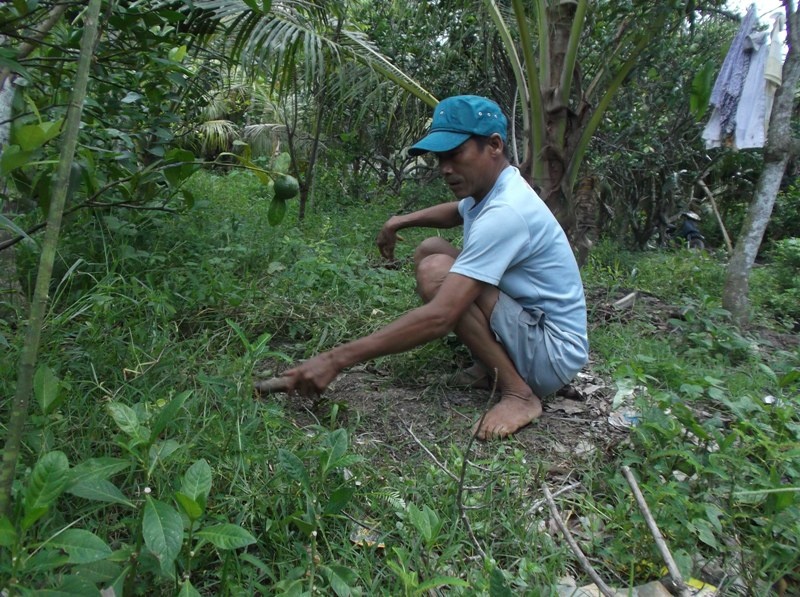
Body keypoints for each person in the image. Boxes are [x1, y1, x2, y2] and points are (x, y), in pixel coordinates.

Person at [264, 95, 589, 439]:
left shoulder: (506, 212)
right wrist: (398, 221)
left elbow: (441, 317)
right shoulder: (496, 189)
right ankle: (490, 366)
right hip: (535, 331)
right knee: (431, 248)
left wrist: (334, 359)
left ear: (494, 145)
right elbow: (457, 211)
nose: (445, 168)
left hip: (550, 354)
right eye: (440, 158)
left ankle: (519, 393)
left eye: (455, 154)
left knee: (436, 271)